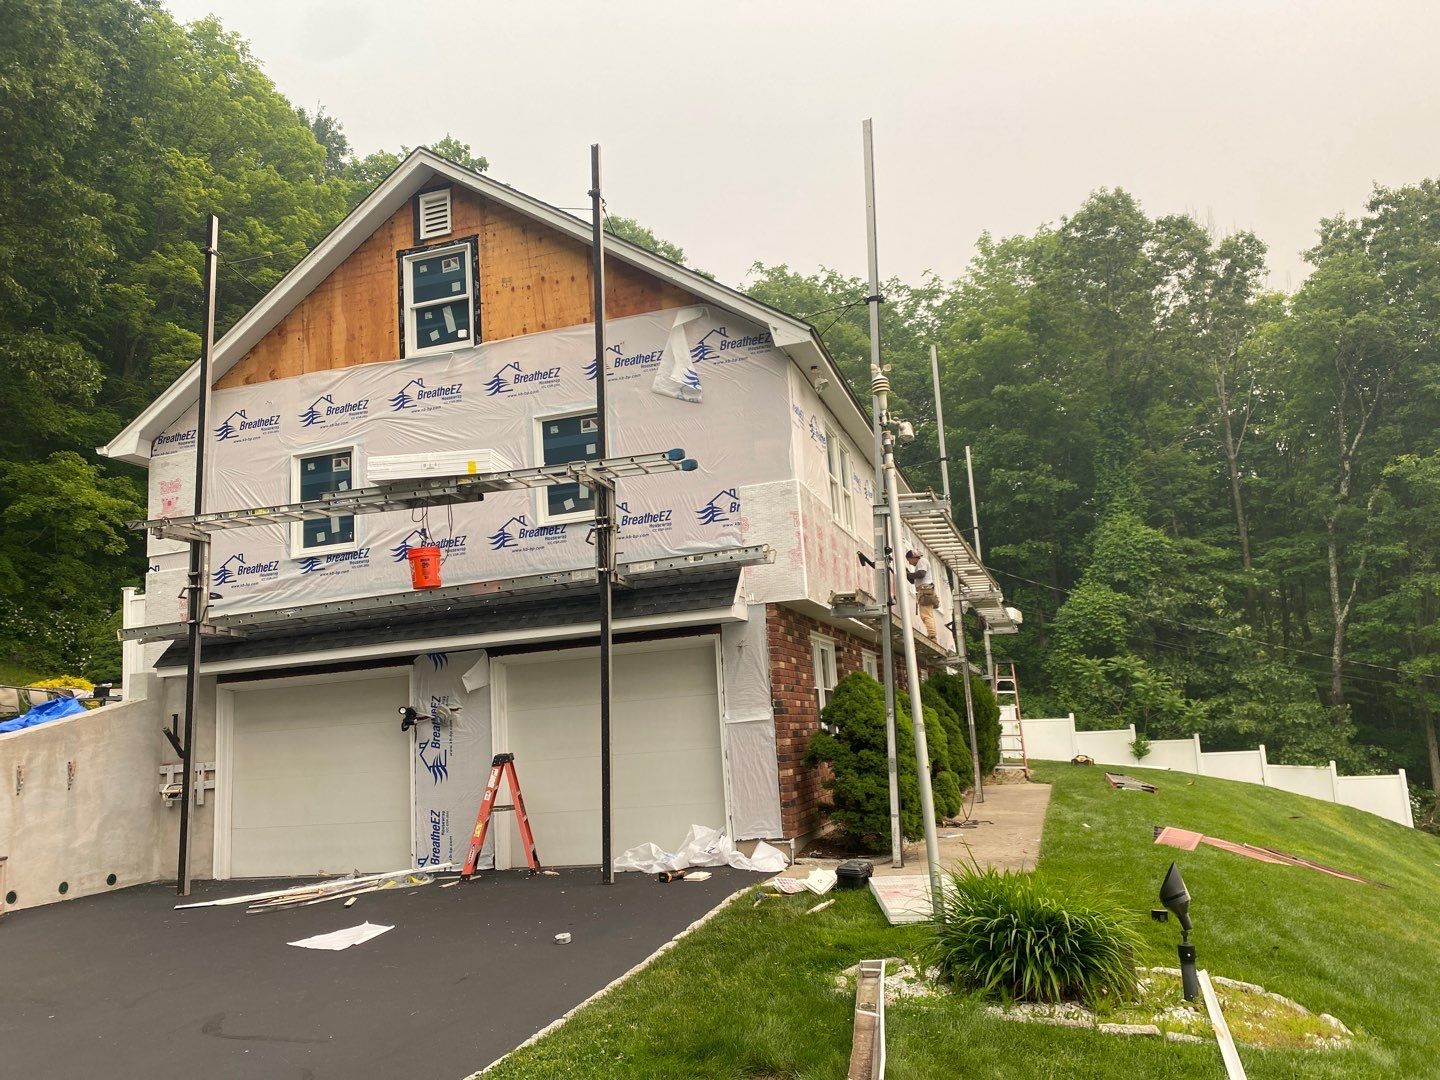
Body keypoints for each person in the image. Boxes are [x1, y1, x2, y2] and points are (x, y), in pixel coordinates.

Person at [905, 549, 937, 638]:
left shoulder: (922, 561)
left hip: (925, 591)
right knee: (927, 614)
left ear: (913, 557)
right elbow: (913, 581)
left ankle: (932, 635)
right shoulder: (920, 564)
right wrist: (908, 574)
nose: (910, 563)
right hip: (925, 590)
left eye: (909, 560)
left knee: (926, 615)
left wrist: (908, 574)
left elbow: (921, 574)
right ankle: (932, 634)